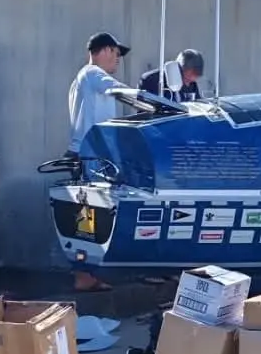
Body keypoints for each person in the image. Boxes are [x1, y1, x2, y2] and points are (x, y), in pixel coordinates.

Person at [68, 32, 129, 293]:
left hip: (93, 155)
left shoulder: (87, 80)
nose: (117, 60)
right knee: (87, 217)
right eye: (116, 53)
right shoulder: (92, 74)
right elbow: (118, 89)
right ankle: (83, 274)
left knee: (90, 217)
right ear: (103, 50)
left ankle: (88, 272)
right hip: (90, 156)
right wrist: (149, 102)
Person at [139, 49, 205, 102]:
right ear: (178, 68)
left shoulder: (192, 84)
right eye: (187, 79)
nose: (188, 84)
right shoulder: (151, 80)